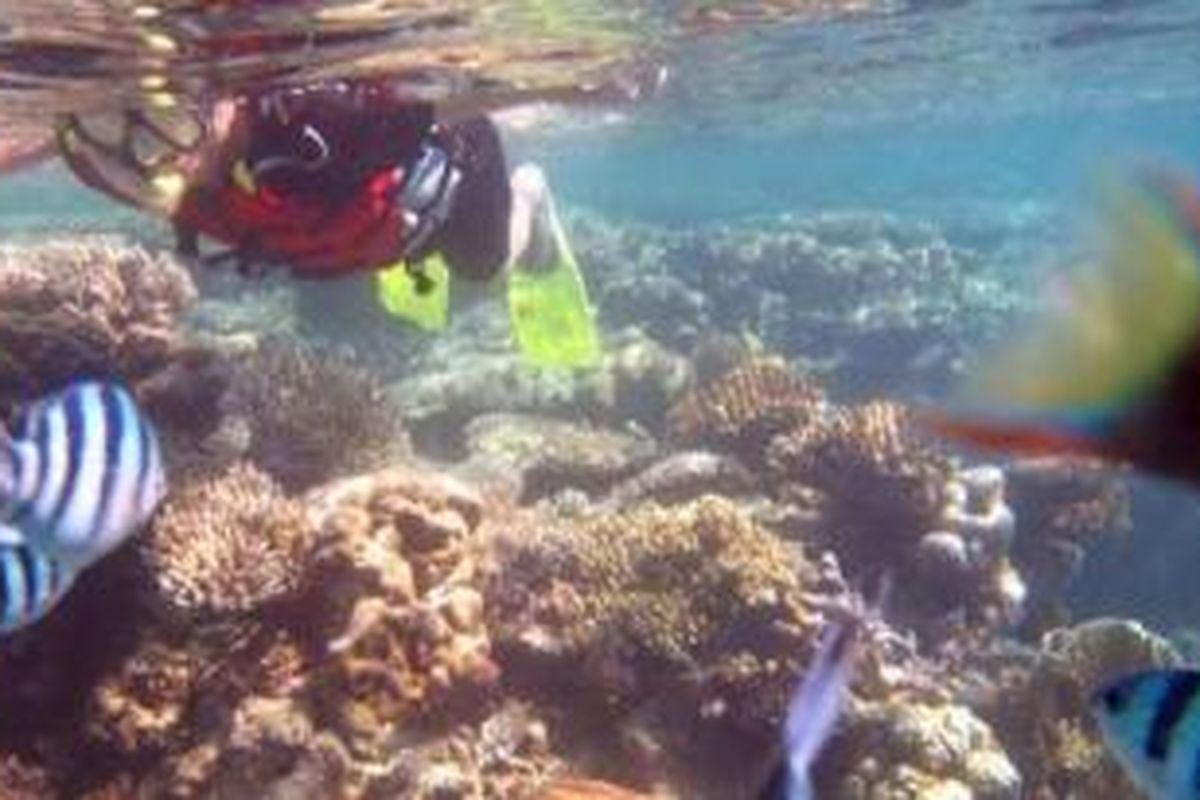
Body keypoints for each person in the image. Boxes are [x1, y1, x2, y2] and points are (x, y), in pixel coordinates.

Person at [25, 76, 610, 367]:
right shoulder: (119, 162)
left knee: (481, 268)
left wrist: (580, 86)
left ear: (221, 102)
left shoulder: (320, 114)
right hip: (356, 231)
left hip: (443, 173)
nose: (168, 161)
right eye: (133, 148)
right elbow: (33, 144)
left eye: (173, 129)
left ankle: (530, 197)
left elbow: (459, 99)